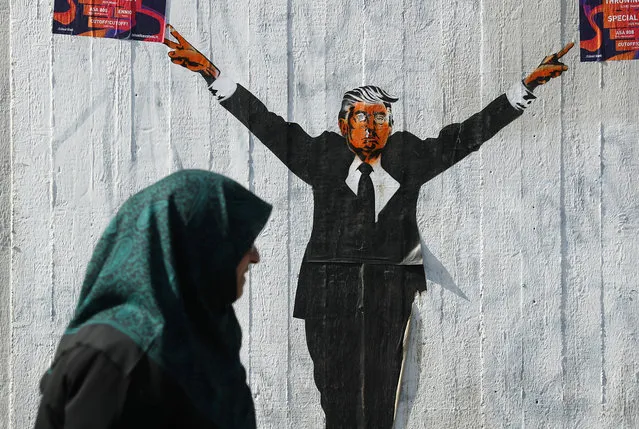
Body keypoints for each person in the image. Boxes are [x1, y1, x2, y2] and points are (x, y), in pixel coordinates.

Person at [164, 25, 572, 428]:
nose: (372, 126)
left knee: (380, 402)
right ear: (344, 125)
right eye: (362, 118)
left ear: (390, 126)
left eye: (381, 118)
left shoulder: (409, 158)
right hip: (327, 294)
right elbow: (266, 125)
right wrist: (210, 73)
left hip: (389, 293)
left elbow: (466, 136)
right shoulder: (321, 156)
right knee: (336, 399)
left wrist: (525, 88)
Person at [34, 169, 272, 429]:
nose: (255, 256)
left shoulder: (208, 335)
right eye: (243, 242)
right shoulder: (117, 356)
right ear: (199, 243)